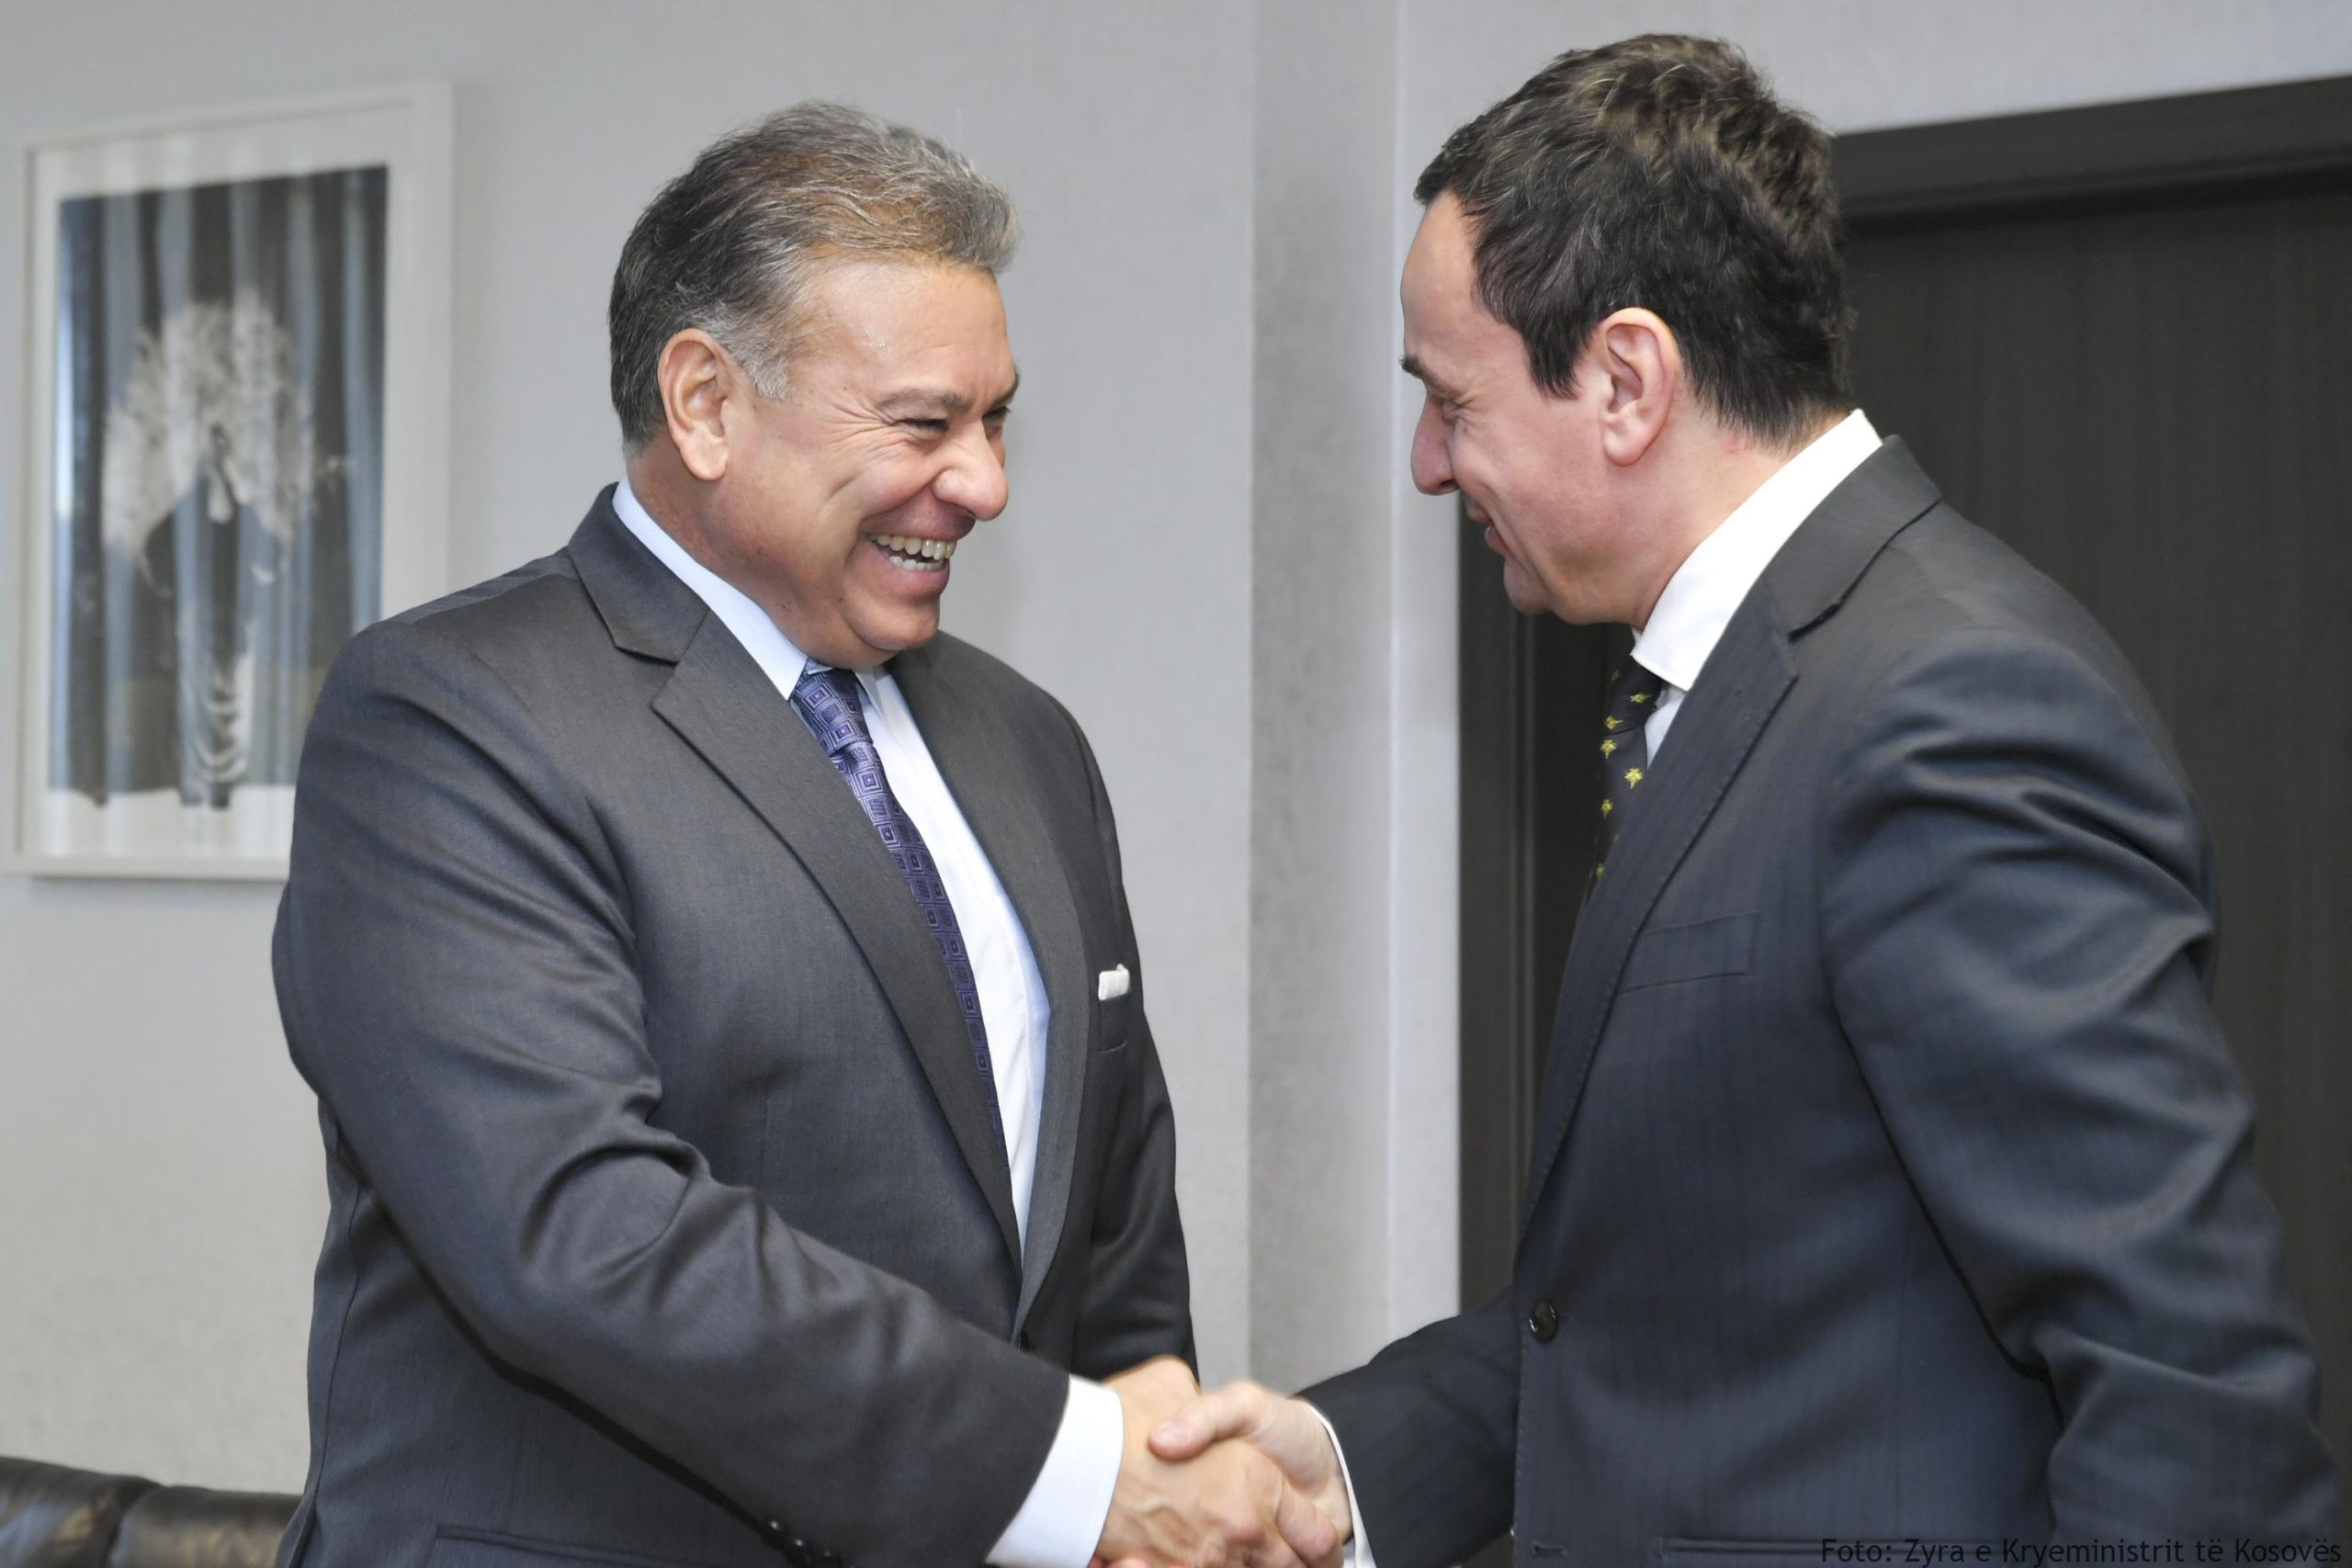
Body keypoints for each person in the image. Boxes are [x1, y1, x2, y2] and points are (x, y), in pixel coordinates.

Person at [1145, 34, 2342, 1565]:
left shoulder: (1947, 709)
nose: (1433, 465)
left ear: (1626, 380)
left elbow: (2193, 1395)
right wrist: (1341, 1469)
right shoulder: (1745, 687)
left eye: (1451, 401)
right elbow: (1657, 1310)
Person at [271, 105, 1337, 1568]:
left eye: (996, 420)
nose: (985, 482)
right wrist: (1074, 1471)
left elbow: (1112, 1241)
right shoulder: (452, 719)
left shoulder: (1027, 744)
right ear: (706, 402)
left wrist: (1152, 1480)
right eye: (924, 424)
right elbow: (586, 1233)